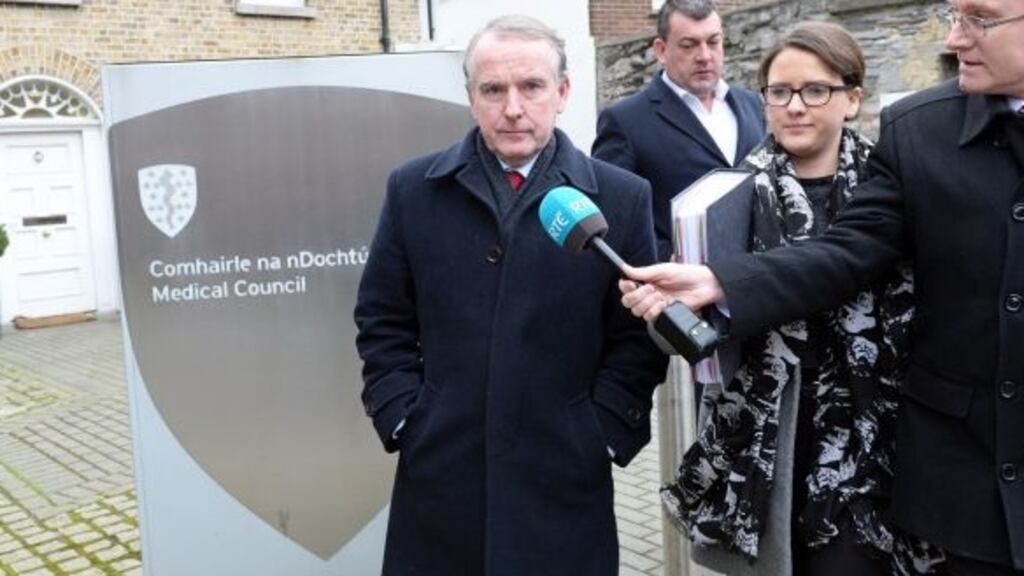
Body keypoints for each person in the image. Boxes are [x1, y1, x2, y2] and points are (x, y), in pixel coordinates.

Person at [620, 1, 1024, 574]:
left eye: (978, 19)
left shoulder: (880, 157)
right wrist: (711, 283)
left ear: (850, 97)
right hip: (861, 465)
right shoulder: (919, 132)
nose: (955, 37)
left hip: (885, 441)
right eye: (779, 93)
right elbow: (846, 253)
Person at [354, 15, 667, 576]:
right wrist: (405, 415)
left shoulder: (621, 199)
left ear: (563, 92)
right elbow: (383, 318)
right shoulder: (412, 190)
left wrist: (600, 431)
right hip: (441, 478)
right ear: (471, 97)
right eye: (493, 90)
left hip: (564, 477)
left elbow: (635, 337)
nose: (513, 107)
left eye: (531, 87)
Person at [656, 21, 908, 576]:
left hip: (871, 430)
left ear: (852, 98)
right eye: (779, 92)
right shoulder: (725, 196)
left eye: (815, 90)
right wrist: (666, 311)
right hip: (767, 436)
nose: (795, 106)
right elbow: (692, 331)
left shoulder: (895, 184)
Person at [592, 0, 765, 261]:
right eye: (689, 45)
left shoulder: (752, 104)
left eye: (714, 42)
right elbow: (613, 219)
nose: (705, 55)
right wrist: (669, 261)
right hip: (678, 291)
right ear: (661, 50)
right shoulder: (624, 121)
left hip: (756, 282)